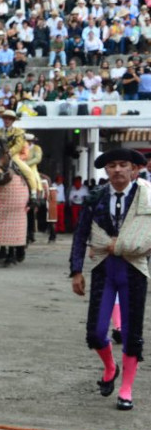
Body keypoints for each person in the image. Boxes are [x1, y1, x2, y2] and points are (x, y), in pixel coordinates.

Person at [70, 149, 151, 411]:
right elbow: (81, 234)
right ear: (106, 171)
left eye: (123, 165)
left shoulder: (146, 197)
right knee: (95, 331)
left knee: (131, 333)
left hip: (134, 269)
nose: (117, 170)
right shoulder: (96, 198)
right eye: (112, 165)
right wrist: (76, 270)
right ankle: (110, 367)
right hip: (104, 268)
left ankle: (126, 389)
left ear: (134, 170)